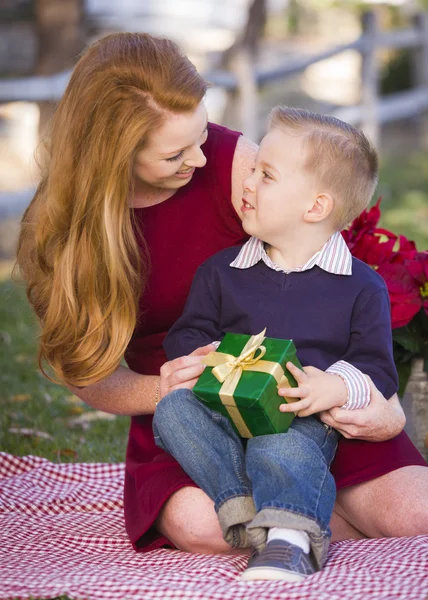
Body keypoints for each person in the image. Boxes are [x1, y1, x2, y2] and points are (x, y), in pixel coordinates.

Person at [15, 32, 427, 560]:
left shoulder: (235, 166)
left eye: (202, 134)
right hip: (195, 414)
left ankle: (294, 518)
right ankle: (289, 521)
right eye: (175, 152)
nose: (202, 158)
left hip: (305, 395)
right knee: (198, 525)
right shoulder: (65, 230)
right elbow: (88, 373)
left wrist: (369, 402)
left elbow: (321, 260)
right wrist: (166, 389)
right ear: (113, 152)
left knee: (414, 512)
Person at [153, 107, 399, 581]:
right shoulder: (223, 271)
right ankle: (244, 511)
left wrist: (335, 386)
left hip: (298, 417)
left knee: (276, 446)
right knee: (174, 413)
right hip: (225, 407)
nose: (246, 182)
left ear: (315, 207)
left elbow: (377, 367)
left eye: (266, 175)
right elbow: (188, 331)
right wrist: (202, 356)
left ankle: (290, 543)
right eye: (253, 169)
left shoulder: (360, 286)